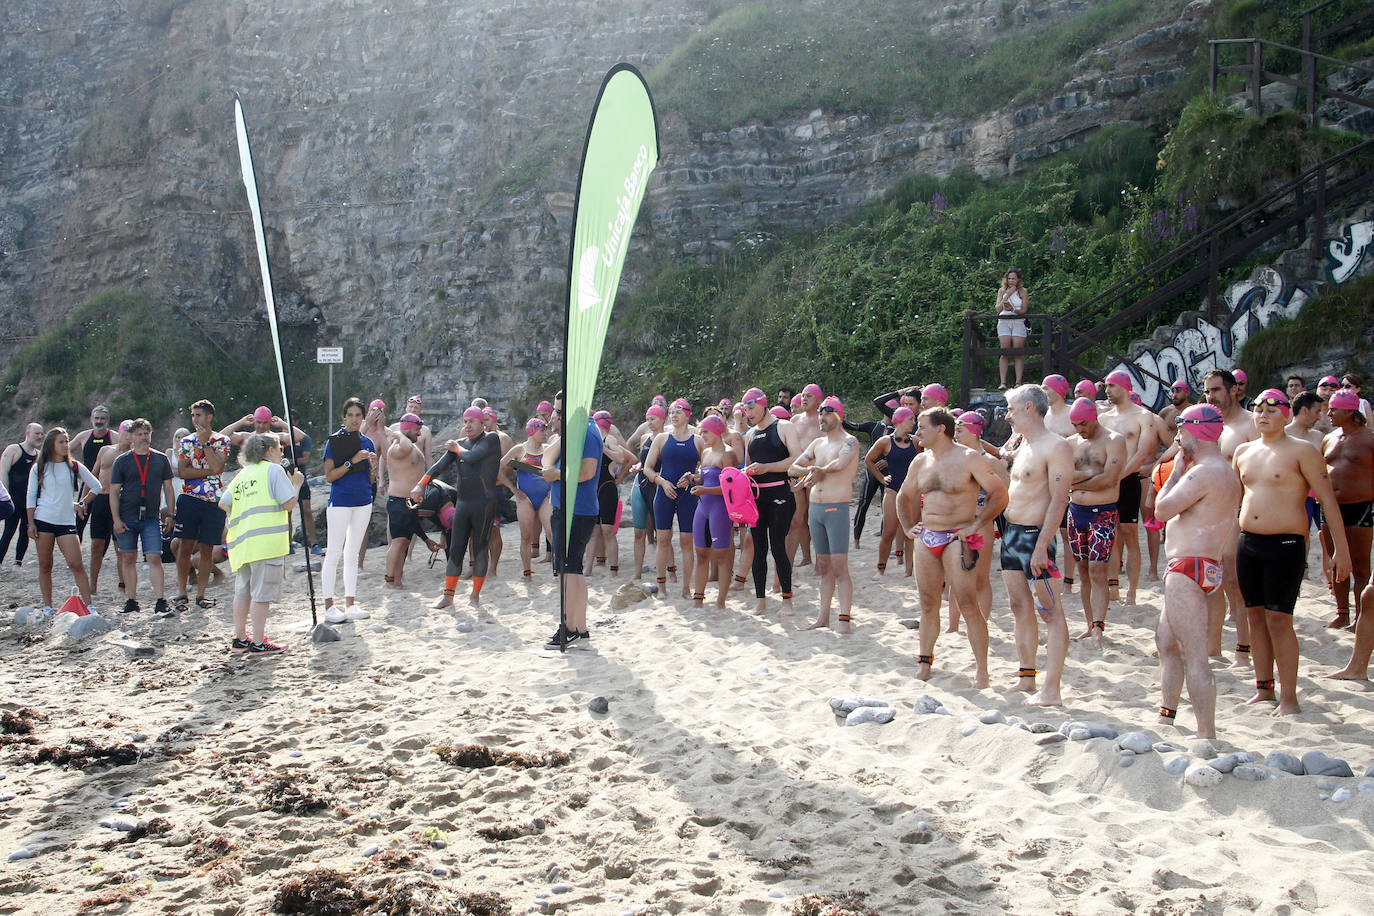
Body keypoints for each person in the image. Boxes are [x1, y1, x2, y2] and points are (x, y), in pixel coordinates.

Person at [1234, 389, 1351, 715]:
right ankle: (1263, 689)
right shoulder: (1242, 451)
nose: (1263, 414)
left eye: (1271, 409)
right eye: (1257, 409)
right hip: (1248, 543)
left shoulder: (1303, 451)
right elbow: (1239, 501)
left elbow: (1328, 501)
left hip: (1286, 544)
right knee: (1254, 616)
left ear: (1286, 413)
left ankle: (1289, 698)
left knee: (1279, 620)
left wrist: (1339, 550)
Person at [896, 406, 1008, 687]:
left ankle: (982, 670)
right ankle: (925, 661)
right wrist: (909, 526)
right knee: (928, 603)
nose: (916, 432)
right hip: (928, 535)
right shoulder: (920, 462)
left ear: (940, 429)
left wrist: (977, 523)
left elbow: (1000, 494)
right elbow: (903, 495)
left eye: (922, 426)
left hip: (959, 534)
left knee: (968, 602)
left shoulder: (969, 458)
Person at [1153, 404, 1242, 739]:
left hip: (1187, 567)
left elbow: (1162, 510)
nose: (1177, 436)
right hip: (1204, 566)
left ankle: (1207, 734)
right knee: (1166, 642)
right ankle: (1167, 716)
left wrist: (1176, 470)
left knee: (1195, 655)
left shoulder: (1203, 471)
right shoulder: (1224, 470)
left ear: (1197, 430)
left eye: (1181, 429)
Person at [997, 385, 1073, 703]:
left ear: (1029, 408)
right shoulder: (1021, 444)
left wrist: (1043, 545)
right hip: (1011, 534)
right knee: (1019, 607)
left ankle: (1051, 688)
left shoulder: (1056, 446)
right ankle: (1027, 677)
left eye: (1012, 409)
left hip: (1034, 537)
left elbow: (1059, 500)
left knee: (1051, 613)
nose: (1007, 415)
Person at [219, 433, 303, 655]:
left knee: (243, 590)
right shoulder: (273, 470)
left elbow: (223, 503)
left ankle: (239, 639)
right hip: (266, 542)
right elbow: (288, 504)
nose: (281, 453)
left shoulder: (243, 474)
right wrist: (296, 485)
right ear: (269, 450)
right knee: (261, 593)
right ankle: (258, 641)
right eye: (279, 449)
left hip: (242, 543)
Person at [413, 406, 500, 608]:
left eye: (472, 421)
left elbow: (472, 457)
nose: (467, 425)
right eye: (465, 421)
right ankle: (448, 596)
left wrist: (457, 449)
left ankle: (475, 596)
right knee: (456, 549)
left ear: (481, 423)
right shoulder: (459, 444)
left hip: (484, 504)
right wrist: (420, 484)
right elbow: (438, 466)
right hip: (463, 503)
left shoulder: (491, 440)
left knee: (479, 549)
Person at [789, 397, 861, 631]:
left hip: (835, 507)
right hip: (816, 509)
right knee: (824, 567)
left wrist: (821, 471)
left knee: (840, 567)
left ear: (838, 415)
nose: (822, 417)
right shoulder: (817, 444)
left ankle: (844, 619)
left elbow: (841, 464)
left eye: (827, 413)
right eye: (820, 413)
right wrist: (811, 471)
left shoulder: (849, 441)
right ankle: (823, 617)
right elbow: (793, 467)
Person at [1205, 369, 1258, 662]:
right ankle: (1213, 647)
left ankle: (1243, 648)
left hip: (1240, 511)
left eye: (1216, 390)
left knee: (1237, 582)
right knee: (1212, 583)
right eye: (1208, 391)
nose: (1211, 396)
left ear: (1233, 391)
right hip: (1209, 513)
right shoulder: (1204, 423)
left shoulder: (1251, 424)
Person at [1065, 397, 1126, 647]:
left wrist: (1074, 480)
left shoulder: (1114, 440)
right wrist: (1089, 476)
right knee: (1082, 570)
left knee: (1098, 569)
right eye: (1075, 424)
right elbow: (1062, 477)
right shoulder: (1070, 443)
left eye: (1083, 424)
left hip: (1102, 512)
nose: (1079, 429)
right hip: (1076, 511)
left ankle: (1099, 625)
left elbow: (1109, 480)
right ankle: (1090, 625)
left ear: (1093, 418)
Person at [541, 396, 601, 648]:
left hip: (577, 510)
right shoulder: (574, 432)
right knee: (571, 570)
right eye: (554, 412)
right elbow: (547, 457)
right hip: (566, 508)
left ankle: (570, 627)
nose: (554, 417)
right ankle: (580, 626)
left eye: (558, 412)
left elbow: (587, 472)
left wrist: (555, 474)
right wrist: (551, 470)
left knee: (569, 571)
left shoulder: (587, 433)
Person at [1098, 370, 1160, 607]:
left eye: (1112, 386)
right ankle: (1113, 587)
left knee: (1130, 535)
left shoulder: (1143, 416)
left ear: (1124, 387)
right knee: (1110, 536)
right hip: (1109, 481)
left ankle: (1132, 591)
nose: (1108, 391)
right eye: (1106, 387)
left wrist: (1119, 475)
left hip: (1128, 480)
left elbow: (1143, 452)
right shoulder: (1104, 419)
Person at [741, 387, 804, 616]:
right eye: (745, 409)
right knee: (759, 549)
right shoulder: (750, 435)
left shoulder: (783, 426)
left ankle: (787, 601)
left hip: (780, 494)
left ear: (763, 404)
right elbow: (746, 469)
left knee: (778, 547)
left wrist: (767, 467)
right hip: (757, 498)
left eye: (752, 407)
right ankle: (760, 600)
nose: (749, 413)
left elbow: (796, 460)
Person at [27, 427, 101, 613]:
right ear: (51, 444)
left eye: (67, 441)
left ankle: (89, 606)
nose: (65, 445)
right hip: (43, 519)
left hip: (66, 522)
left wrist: (81, 503)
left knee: (76, 563)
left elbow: (96, 486)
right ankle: (47, 607)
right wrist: (31, 523)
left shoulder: (74, 466)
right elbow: (30, 496)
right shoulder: (39, 467)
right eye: (61, 441)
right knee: (45, 564)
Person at [108, 419, 175, 616]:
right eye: (139, 434)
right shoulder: (122, 461)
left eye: (147, 433)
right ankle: (131, 600)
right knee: (128, 557)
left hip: (151, 517)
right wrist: (116, 520)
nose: (144, 437)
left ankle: (160, 600)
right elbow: (113, 492)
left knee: (154, 556)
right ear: (130, 437)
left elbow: (168, 488)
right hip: (127, 516)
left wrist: (170, 513)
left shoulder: (160, 459)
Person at [320, 398, 377, 622]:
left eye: (358, 416)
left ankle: (350, 603)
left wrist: (372, 466)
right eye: (351, 415)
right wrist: (352, 461)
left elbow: (370, 478)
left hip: (363, 500)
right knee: (334, 552)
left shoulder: (368, 442)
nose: (354, 420)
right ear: (345, 416)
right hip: (341, 501)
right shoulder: (335, 442)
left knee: (352, 553)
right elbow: (329, 476)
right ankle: (329, 605)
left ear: (363, 417)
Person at [1322, 388, 1373, 629]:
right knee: (1336, 562)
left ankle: (1361, 616)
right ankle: (1342, 612)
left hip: (1360, 506)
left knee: (1360, 565)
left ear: (1350, 411)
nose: (1329, 412)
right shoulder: (1329, 439)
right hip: (1331, 507)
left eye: (1334, 408)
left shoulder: (1369, 439)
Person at [173, 400, 231, 611]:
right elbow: (182, 472)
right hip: (189, 498)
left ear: (209, 417)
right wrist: (209, 471)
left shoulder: (222, 440)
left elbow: (218, 465)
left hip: (213, 501)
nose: (195, 420)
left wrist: (206, 444)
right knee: (184, 545)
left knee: (207, 547)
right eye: (193, 415)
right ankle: (181, 592)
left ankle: (201, 594)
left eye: (199, 415)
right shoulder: (187, 441)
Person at [643, 399, 703, 599]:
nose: (674, 415)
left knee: (687, 542)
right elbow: (647, 468)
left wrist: (692, 477)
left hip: (688, 495)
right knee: (663, 540)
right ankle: (662, 587)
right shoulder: (661, 438)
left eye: (678, 411)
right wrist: (661, 482)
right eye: (671, 412)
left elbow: (707, 469)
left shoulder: (697, 440)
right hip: (664, 493)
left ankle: (686, 588)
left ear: (687, 414)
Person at [687, 415, 739, 609]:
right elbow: (704, 477)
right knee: (701, 552)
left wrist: (705, 490)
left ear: (717, 431)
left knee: (722, 555)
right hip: (703, 507)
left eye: (705, 432)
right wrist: (693, 478)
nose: (702, 435)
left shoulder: (728, 454)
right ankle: (698, 598)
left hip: (720, 508)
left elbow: (731, 488)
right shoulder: (706, 452)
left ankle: (721, 601)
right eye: (701, 432)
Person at [866, 407, 918, 576]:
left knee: (911, 531)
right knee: (888, 531)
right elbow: (868, 459)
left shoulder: (916, 441)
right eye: (911, 419)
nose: (914, 422)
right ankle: (881, 568)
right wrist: (881, 478)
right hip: (893, 490)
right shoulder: (885, 442)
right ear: (900, 420)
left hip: (912, 492)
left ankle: (909, 570)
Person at [378, 413, 428, 588]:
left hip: (410, 501)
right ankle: (389, 579)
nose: (419, 434)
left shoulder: (409, 446)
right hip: (399, 501)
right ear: (406, 428)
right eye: (417, 430)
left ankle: (397, 579)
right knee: (398, 542)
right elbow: (405, 447)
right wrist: (398, 433)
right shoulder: (398, 447)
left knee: (405, 542)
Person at [501, 417, 554, 578]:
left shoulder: (549, 448)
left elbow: (560, 471)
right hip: (526, 499)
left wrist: (554, 489)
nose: (545, 433)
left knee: (552, 532)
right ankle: (527, 572)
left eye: (545, 429)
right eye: (542, 430)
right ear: (532, 431)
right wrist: (513, 490)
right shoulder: (519, 449)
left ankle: (558, 571)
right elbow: (499, 468)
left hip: (545, 497)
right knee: (526, 537)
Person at [88, 419, 131, 597]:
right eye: (126, 431)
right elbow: (93, 476)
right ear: (119, 432)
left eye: (131, 433)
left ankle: (123, 585)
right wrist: (84, 500)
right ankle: (92, 586)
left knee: (120, 546)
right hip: (100, 499)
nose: (128, 436)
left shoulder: (133, 456)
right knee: (96, 545)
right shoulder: (105, 450)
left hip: (121, 501)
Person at [628, 404, 667, 580]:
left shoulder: (668, 438)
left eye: (653, 419)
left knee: (662, 533)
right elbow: (644, 462)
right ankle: (637, 572)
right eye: (647, 419)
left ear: (662, 419)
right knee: (638, 532)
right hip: (641, 483)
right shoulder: (644, 438)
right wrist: (638, 466)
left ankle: (670, 571)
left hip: (658, 486)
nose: (649, 422)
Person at [788, 383, 823, 569]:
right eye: (802, 395)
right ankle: (806, 556)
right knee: (798, 517)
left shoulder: (823, 419)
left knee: (814, 517)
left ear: (818, 400)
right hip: (797, 473)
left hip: (816, 473)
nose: (804, 398)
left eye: (809, 396)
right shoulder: (794, 421)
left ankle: (820, 559)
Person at [69, 406, 115, 541]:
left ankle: (100, 557)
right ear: (91, 419)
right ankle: (75, 552)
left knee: (105, 523)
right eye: (96, 418)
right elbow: (64, 451)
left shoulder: (114, 437)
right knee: (79, 519)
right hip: (87, 484)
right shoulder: (83, 436)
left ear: (108, 420)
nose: (99, 421)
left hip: (106, 487)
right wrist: (71, 466)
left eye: (102, 418)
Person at [0, 423, 42, 568]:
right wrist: (5, 497)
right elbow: (3, 473)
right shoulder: (13, 449)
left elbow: (39, 480)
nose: (40, 436)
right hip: (13, 499)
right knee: (9, 530)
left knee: (26, 530)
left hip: (29, 501)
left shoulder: (39, 455)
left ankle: (18, 562)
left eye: (42, 434)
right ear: (27, 433)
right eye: (37, 433)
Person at [995, 268, 1029, 388]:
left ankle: (1018, 382)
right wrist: (1007, 295)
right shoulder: (1002, 290)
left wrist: (1013, 309)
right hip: (1004, 320)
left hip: (1018, 320)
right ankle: (1003, 382)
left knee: (1018, 352)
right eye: (1009, 278)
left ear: (1018, 279)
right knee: (1004, 352)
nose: (1011, 281)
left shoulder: (1023, 291)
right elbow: (998, 309)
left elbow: (1024, 310)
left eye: (1013, 278)